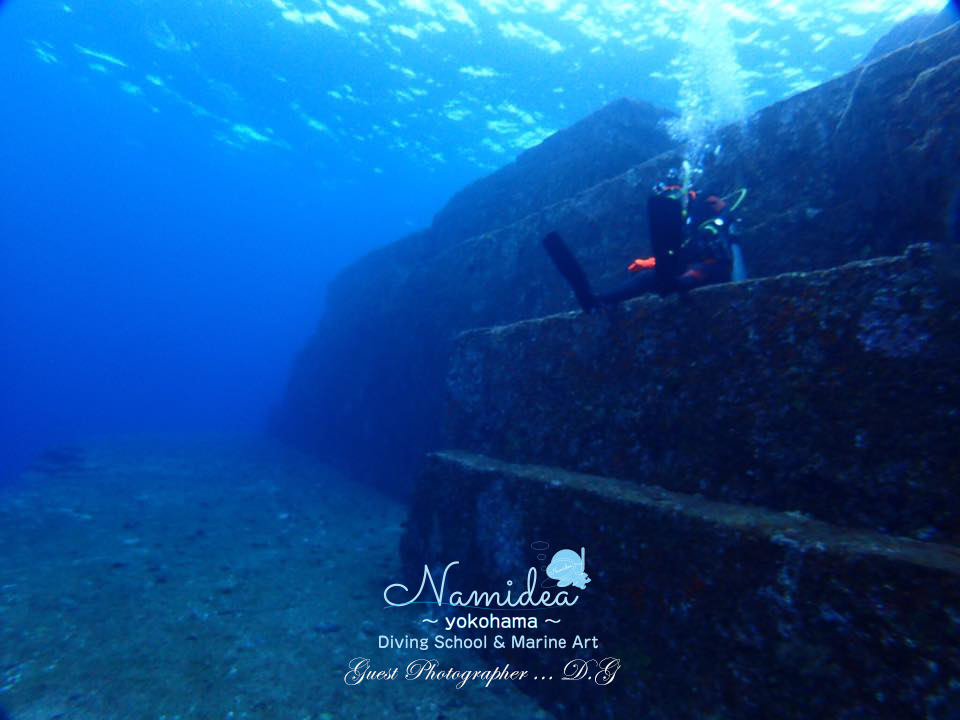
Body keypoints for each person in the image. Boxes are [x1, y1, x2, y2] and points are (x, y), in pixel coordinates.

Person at [544, 182, 747, 313]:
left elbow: (726, 212)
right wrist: (653, 262)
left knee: (696, 271)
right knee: (648, 277)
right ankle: (597, 300)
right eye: (667, 196)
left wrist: (716, 223)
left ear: (686, 192)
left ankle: (675, 283)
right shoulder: (683, 223)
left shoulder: (703, 201)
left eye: (674, 194)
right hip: (688, 266)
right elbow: (682, 252)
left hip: (715, 265)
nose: (672, 200)